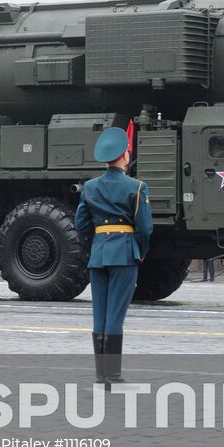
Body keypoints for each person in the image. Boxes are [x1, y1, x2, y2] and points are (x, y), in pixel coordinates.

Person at [75, 126, 154, 387]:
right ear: (123, 156)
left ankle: (101, 374)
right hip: (124, 254)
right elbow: (144, 228)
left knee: (100, 313)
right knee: (116, 316)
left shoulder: (90, 187)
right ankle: (112, 374)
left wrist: (98, 243)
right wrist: (139, 252)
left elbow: (81, 224)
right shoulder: (137, 187)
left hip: (98, 256)